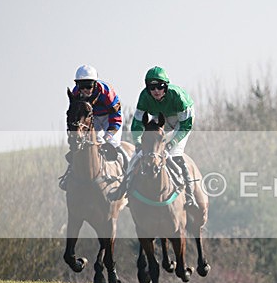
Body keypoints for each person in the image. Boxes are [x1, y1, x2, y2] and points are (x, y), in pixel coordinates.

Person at [110, 66, 198, 209]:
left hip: (182, 121)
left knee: (174, 154)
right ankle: (123, 188)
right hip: (161, 118)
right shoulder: (144, 97)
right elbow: (137, 123)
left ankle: (189, 195)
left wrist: (172, 142)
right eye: (152, 87)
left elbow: (185, 126)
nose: (156, 91)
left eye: (159, 87)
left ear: (166, 86)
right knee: (137, 155)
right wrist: (138, 143)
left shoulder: (178, 97)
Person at [60, 65, 124, 190]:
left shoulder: (107, 93)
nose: (85, 90)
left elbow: (116, 116)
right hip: (90, 119)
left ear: (94, 84)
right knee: (82, 145)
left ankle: (125, 177)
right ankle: (70, 173)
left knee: (112, 144)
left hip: (109, 118)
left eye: (88, 86)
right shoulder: (75, 93)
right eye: (81, 86)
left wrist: (108, 136)